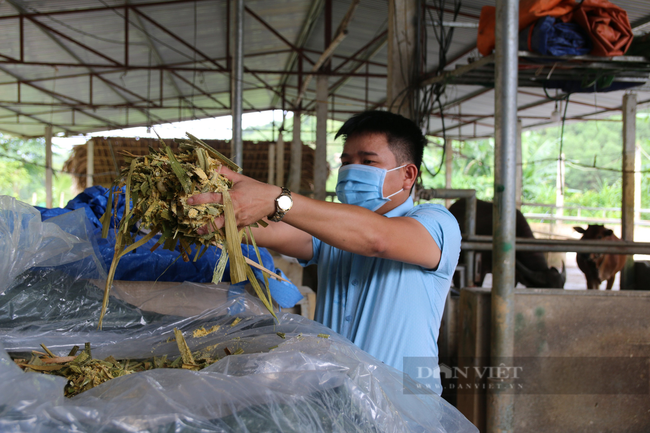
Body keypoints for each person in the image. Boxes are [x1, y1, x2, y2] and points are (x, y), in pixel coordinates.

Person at [187, 110, 461, 393]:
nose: (351, 171)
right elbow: (265, 228)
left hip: (404, 411)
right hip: (331, 404)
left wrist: (277, 199)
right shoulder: (329, 231)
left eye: (367, 162)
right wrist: (209, 208)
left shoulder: (436, 224)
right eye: (346, 162)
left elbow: (378, 239)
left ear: (408, 175)